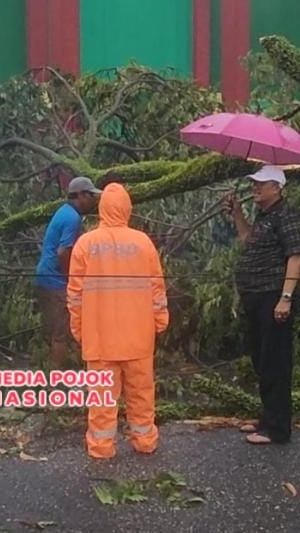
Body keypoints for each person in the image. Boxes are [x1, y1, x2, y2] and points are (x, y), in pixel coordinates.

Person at [67, 183, 169, 459]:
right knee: (142, 395)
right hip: (138, 337)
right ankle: (145, 440)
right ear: (127, 208)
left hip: (100, 338)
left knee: (102, 399)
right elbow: (157, 289)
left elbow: (75, 294)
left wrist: (78, 329)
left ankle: (101, 448)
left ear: (101, 209)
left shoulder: (86, 244)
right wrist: (160, 321)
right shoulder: (143, 242)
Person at [225, 165, 300, 445]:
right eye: (254, 184)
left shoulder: (288, 216)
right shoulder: (264, 215)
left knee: (275, 362)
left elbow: (295, 256)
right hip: (255, 297)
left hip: (274, 296)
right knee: (261, 360)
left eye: (261, 184)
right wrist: (237, 213)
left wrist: (285, 298)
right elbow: (247, 239)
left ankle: (277, 429)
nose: (255, 189)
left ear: (277, 188)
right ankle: (267, 418)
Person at [35, 177, 101, 368]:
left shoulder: (64, 212)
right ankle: (57, 378)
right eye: (90, 196)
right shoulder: (72, 218)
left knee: (55, 329)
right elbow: (63, 252)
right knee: (61, 331)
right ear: (80, 195)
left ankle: (52, 370)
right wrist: (70, 278)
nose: (93, 201)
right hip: (54, 281)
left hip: (46, 276)